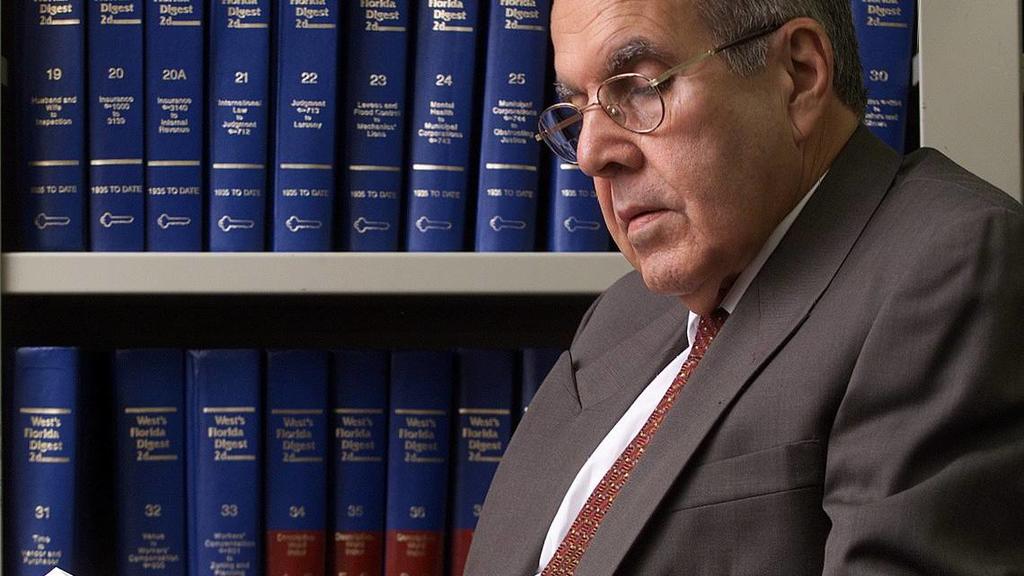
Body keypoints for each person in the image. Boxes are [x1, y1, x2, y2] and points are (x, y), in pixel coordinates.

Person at [464, 0, 1024, 574]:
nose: (590, 155)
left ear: (798, 75)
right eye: (578, 111)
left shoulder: (951, 265)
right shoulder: (621, 313)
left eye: (638, 87)